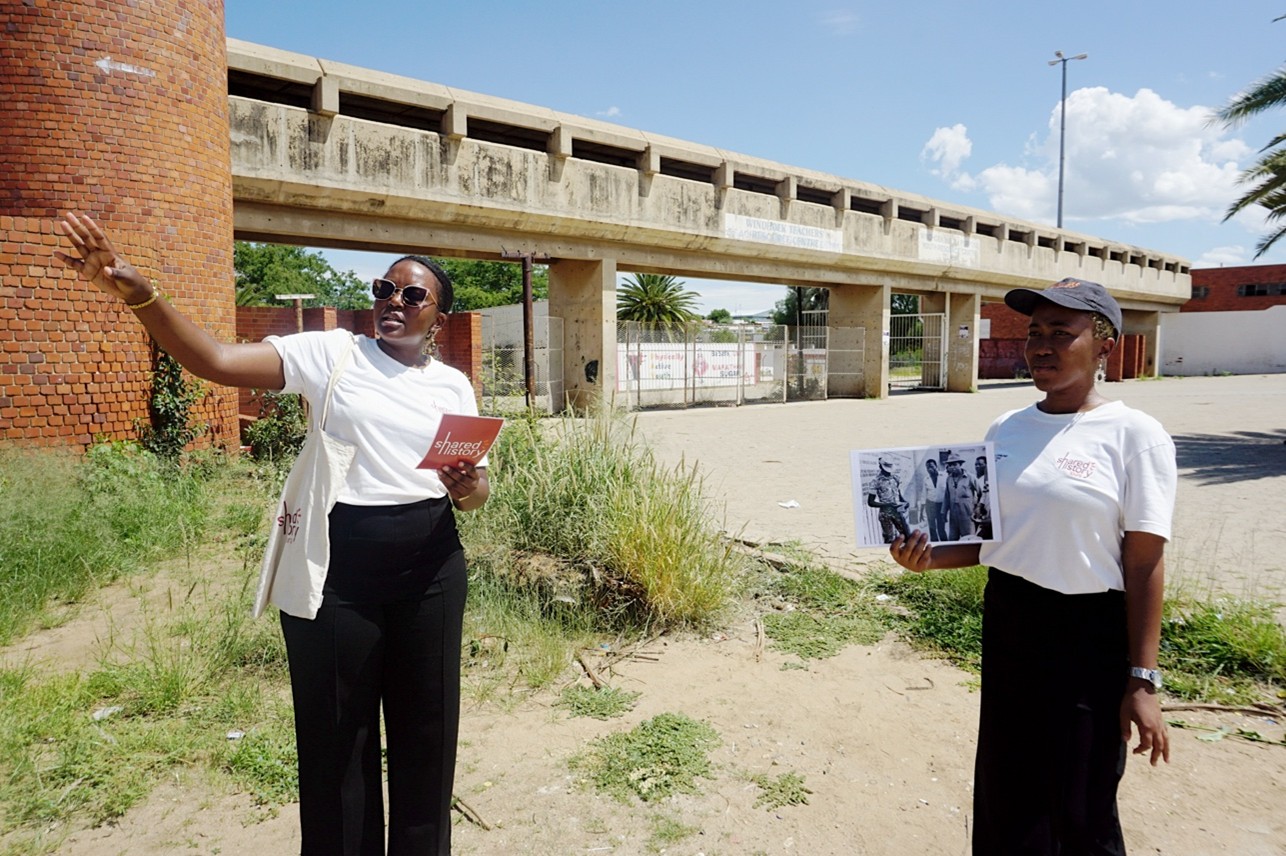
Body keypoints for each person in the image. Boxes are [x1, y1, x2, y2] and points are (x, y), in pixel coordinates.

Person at [55, 212, 487, 856]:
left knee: (428, 732)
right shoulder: (333, 353)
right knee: (336, 741)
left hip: (431, 564)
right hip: (337, 565)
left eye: (412, 295)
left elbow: (476, 495)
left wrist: (465, 484)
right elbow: (215, 359)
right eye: (383, 289)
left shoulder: (452, 385)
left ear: (438, 320)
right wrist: (142, 297)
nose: (393, 302)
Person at [889, 276, 1174, 856]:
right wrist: (927, 558)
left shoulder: (1135, 436)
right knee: (1007, 787)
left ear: (1105, 346)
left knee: (1082, 800)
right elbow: (991, 538)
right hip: (1012, 619)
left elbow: (1144, 561)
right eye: (1035, 332)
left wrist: (1143, 680)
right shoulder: (1006, 429)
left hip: (1090, 635)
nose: (1042, 346)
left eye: (1061, 333)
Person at [867, 455, 911, 544]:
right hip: (885, 514)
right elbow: (870, 502)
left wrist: (905, 502)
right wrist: (887, 504)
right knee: (889, 540)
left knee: (907, 536)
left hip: (897, 512)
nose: (888, 471)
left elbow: (898, 494)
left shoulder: (896, 478)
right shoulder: (876, 481)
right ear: (880, 466)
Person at [943, 455, 978, 540]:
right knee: (952, 540)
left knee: (969, 539)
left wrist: (978, 508)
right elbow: (947, 497)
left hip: (967, 515)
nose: (952, 467)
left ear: (960, 464)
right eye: (950, 465)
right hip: (953, 516)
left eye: (955, 464)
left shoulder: (970, 477)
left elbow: (981, 493)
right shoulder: (949, 479)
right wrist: (944, 512)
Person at [916, 457, 947, 541]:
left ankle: (944, 543)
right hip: (930, 505)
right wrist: (921, 511)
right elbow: (923, 495)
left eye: (931, 466)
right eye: (927, 467)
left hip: (941, 505)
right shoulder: (926, 479)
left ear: (936, 466)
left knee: (941, 527)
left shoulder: (944, 476)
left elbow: (948, 492)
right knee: (932, 527)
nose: (930, 469)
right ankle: (934, 542)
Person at [972, 455, 993, 540]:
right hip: (976, 511)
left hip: (985, 514)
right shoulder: (975, 479)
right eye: (976, 464)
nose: (977, 466)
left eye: (980, 464)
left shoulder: (989, 480)